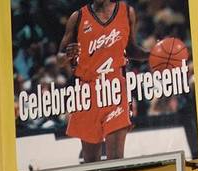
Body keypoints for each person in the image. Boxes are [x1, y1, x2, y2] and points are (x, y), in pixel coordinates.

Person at [59, 0, 148, 162]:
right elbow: (59, 59)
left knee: (116, 158)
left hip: (115, 89)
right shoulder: (77, 17)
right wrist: (66, 55)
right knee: (91, 162)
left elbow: (131, 49)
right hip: (87, 91)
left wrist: (152, 55)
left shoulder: (127, 12)